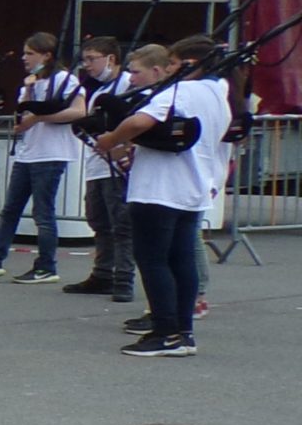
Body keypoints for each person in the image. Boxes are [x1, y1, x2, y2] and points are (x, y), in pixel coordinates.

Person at [97, 44, 230, 357]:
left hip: (160, 189)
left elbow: (140, 122)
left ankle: (164, 331)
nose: (169, 69)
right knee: (182, 260)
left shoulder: (179, 91)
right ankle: (183, 332)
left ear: (189, 64)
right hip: (194, 187)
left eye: (172, 63)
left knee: (153, 259)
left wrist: (111, 139)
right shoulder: (218, 94)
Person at [0, 32, 87, 282]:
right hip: (28, 153)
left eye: (30, 53)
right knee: (10, 209)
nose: (24, 58)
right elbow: (22, 118)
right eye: (24, 53)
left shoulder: (65, 80)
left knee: (43, 212)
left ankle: (47, 265)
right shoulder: (30, 83)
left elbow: (78, 111)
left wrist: (41, 117)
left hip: (52, 153)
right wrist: (28, 96)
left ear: (46, 55)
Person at [68, 36, 137, 302]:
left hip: (116, 165)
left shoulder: (128, 84)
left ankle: (123, 278)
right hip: (96, 163)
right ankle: (103, 273)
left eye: (92, 59)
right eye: (84, 59)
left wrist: (121, 146)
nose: (87, 65)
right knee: (99, 220)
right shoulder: (95, 90)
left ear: (111, 59)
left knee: (121, 223)